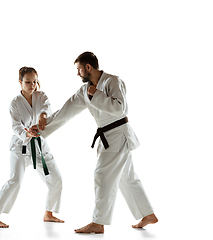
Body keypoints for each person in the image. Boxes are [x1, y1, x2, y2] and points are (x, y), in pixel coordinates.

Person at [30, 52, 158, 234]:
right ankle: (148, 214)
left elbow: (120, 108)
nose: (77, 73)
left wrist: (96, 95)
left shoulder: (113, 81)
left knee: (102, 174)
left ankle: (98, 223)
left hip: (118, 135)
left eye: (79, 69)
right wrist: (41, 128)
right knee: (127, 177)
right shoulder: (84, 90)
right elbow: (65, 113)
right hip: (108, 137)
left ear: (88, 67)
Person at [0, 67, 64, 228]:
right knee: (15, 180)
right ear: (20, 82)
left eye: (35, 81)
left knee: (56, 179)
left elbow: (46, 108)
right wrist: (27, 133)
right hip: (20, 147)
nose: (32, 85)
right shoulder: (15, 103)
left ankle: (48, 213)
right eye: (28, 82)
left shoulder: (41, 95)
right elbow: (16, 126)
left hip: (39, 146)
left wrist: (43, 116)